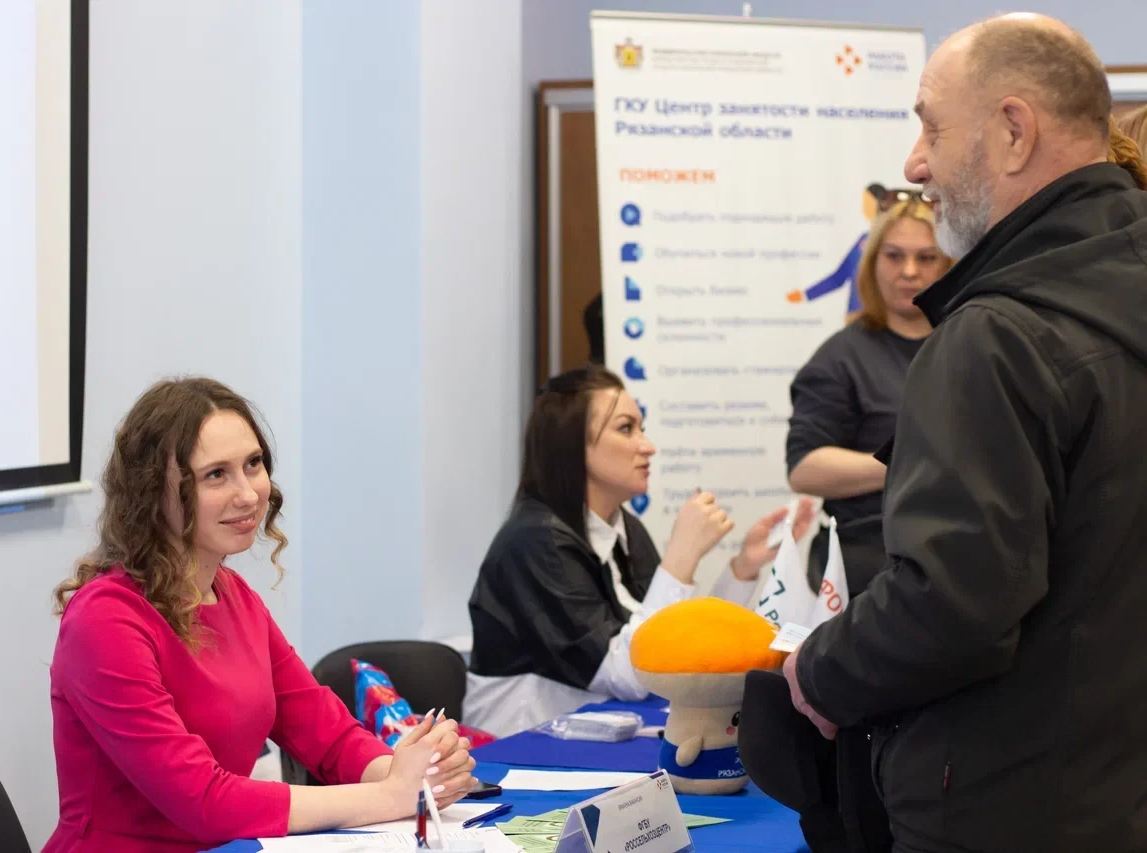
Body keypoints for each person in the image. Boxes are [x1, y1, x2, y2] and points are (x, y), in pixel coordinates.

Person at [783, 14, 1147, 853]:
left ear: (1014, 132)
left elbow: (953, 604)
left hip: (1004, 807)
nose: (915, 164)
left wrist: (820, 671)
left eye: (932, 128)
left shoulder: (996, 335)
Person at [44, 378, 477, 852]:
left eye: (253, 464)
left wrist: (413, 773)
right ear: (153, 494)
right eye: (216, 475)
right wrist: (391, 794)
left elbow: (327, 735)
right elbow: (204, 802)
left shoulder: (233, 595)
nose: (249, 494)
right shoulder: (105, 620)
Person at [466, 363, 815, 736]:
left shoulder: (623, 526)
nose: (648, 447)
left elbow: (679, 641)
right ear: (571, 444)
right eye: (625, 429)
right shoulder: (534, 542)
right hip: (524, 744)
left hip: (599, 730)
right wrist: (681, 558)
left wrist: (743, 567)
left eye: (642, 429)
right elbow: (632, 673)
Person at [787, 194, 952, 595]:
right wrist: (913, 463)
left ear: (948, 264)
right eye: (894, 256)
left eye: (926, 258)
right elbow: (804, 467)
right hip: (868, 572)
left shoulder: (970, 343)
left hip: (960, 559)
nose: (909, 271)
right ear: (873, 262)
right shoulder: (842, 357)